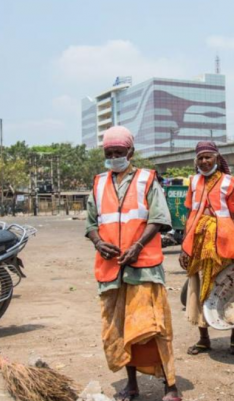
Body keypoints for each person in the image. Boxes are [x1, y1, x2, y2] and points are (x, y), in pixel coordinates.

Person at [85, 126, 182, 401]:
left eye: (119, 152)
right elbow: (91, 223)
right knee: (120, 329)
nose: (114, 157)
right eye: (109, 153)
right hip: (111, 270)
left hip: (144, 268)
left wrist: (138, 246)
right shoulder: (98, 183)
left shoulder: (147, 179)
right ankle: (131, 384)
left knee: (153, 327)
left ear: (131, 152)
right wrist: (97, 242)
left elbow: (160, 218)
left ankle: (170, 386)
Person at [178, 141, 234, 356]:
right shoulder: (193, 182)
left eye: (208, 157)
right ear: (196, 161)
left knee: (229, 287)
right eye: (200, 158)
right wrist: (184, 246)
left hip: (225, 244)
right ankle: (203, 338)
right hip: (197, 244)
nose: (204, 161)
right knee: (199, 290)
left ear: (217, 158)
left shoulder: (230, 182)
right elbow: (191, 215)